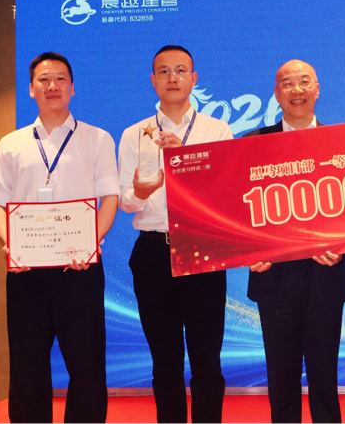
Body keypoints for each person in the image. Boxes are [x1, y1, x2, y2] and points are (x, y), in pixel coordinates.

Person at [0, 52, 119, 424]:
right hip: (26, 271)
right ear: (31, 89)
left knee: (87, 366)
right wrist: (11, 243)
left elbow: (110, 197)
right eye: (43, 79)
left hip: (80, 270)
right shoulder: (11, 143)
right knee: (27, 368)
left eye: (61, 79)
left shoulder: (97, 138)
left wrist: (91, 241)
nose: (52, 86)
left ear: (73, 88)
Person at [117, 45, 232, 424]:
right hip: (153, 252)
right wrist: (140, 193)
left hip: (202, 250)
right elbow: (126, 202)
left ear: (194, 79)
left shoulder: (217, 130)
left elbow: (223, 195)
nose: (172, 78)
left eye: (180, 70)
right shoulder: (134, 134)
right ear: (153, 80)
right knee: (164, 360)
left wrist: (184, 159)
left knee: (206, 359)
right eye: (164, 71)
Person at [245, 60, 345, 424]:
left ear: (317, 89)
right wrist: (249, 250)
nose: (297, 90)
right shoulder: (252, 144)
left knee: (325, 379)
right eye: (287, 83)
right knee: (281, 379)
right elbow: (238, 210)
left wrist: (344, 244)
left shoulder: (342, 142)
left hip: (326, 277)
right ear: (276, 93)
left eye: (304, 82)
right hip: (273, 279)